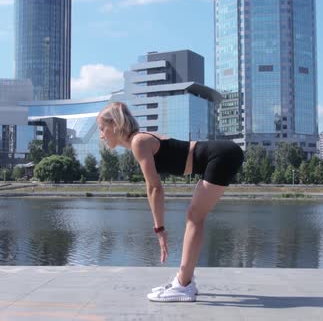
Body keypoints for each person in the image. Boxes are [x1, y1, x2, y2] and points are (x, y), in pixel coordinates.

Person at [97, 102, 244, 302]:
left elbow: (154, 187)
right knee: (194, 216)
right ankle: (184, 281)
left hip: (221, 155)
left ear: (115, 125)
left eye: (102, 128)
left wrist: (159, 229)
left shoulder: (139, 142)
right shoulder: (140, 140)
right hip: (220, 155)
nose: (101, 135)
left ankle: (183, 285)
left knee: (194, 216)